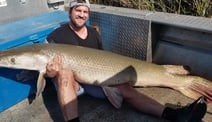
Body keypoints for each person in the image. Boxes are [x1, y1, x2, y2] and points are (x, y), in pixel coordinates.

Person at [45, 0, 207, 122]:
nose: (81, 14)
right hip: (70, 85)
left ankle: (174, 114)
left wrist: (111, 84)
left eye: (84, 11)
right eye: (77, 10)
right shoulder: (56, 36)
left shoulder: (94, 34)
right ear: (70, 12)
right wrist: (51, 73)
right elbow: (47, 72)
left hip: (92, 80)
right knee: (64, 73)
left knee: (125, 88)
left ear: (88, 14)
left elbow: (101, 60)